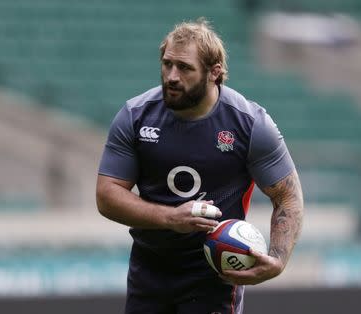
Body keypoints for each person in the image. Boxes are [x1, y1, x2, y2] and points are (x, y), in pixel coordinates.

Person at [96, 18, 303, 314]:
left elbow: (288, 196)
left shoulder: (250, 125)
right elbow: (106, 195)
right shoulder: (135, 116)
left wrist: (278, 259)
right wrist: (170, 218)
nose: (171, 76)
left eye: (185, 68)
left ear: (214, 73)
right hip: (149, 269)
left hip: (216, 275)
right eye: (167, 64)